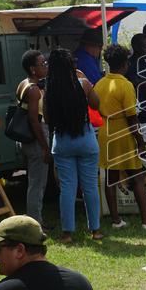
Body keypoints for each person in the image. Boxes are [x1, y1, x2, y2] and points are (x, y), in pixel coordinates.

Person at [96, 44, 146, 230]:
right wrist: (140, 142)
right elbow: (132, 118)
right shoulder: (125, 84)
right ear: (125, 63)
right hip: (123, 133)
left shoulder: (100, 83)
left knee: (111, 177)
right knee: (138, 176)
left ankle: (116, 220)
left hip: (105, 132)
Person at [44, 48, 102, 243]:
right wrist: (85, 79)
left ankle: (67, 233)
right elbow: (96, 104)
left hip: (62, 141)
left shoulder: (50, 89)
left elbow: (47, 118)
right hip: (85, 138)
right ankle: (95, 230)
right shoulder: (82, 84)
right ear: (71, 65)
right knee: (90, 187)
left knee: (67, 188)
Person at [17, 50, 52, 231]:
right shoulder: (33, 90)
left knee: (34, 181)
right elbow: (34, 120)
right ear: (32, 69)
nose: (46, 66)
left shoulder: (24, 83)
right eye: (42, 64)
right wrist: (45, 147)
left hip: (26, 138)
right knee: (37, 183)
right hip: (36, 138)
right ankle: (35, 223)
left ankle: (35, 219)